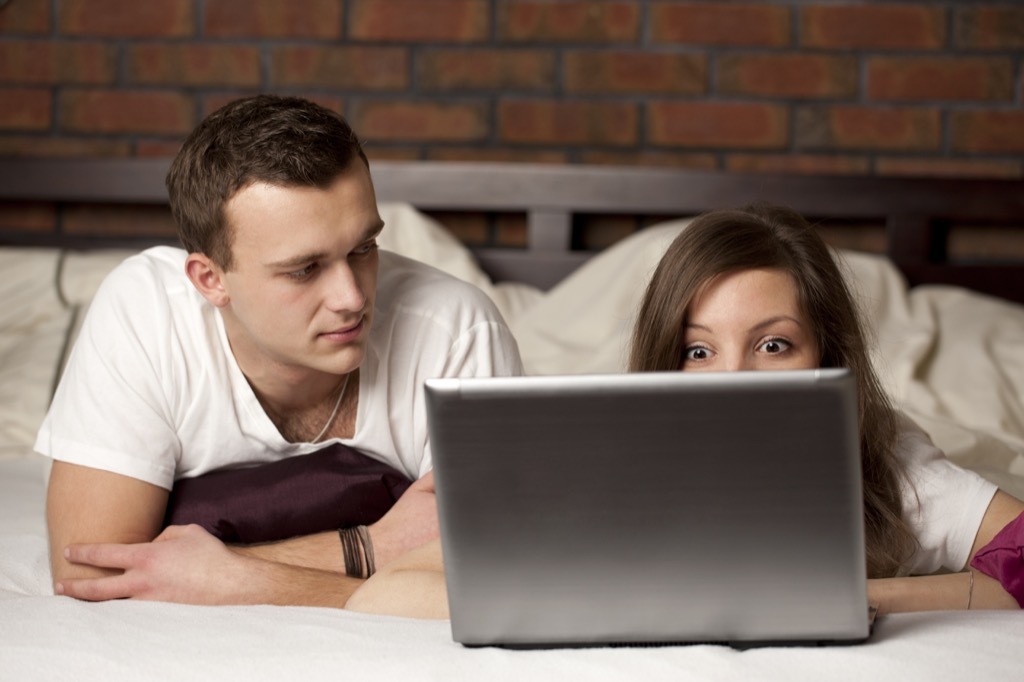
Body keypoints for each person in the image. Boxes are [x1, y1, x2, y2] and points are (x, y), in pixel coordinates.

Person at [346, 203, 1024, 618]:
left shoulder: (890, 467)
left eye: (774, 344)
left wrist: (858, 596)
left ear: (827, 354)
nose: (733, 378)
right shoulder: (606, 461)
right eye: (699, 351)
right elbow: (383, 597)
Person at [36, 95, 523, 606]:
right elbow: (92, 575)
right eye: (303, 269)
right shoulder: (147, 313)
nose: (352, 299)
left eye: (363, 248)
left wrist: (235, 576)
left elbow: (492, 576)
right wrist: (370, 547)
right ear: (210, 280)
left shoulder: (457, 332)